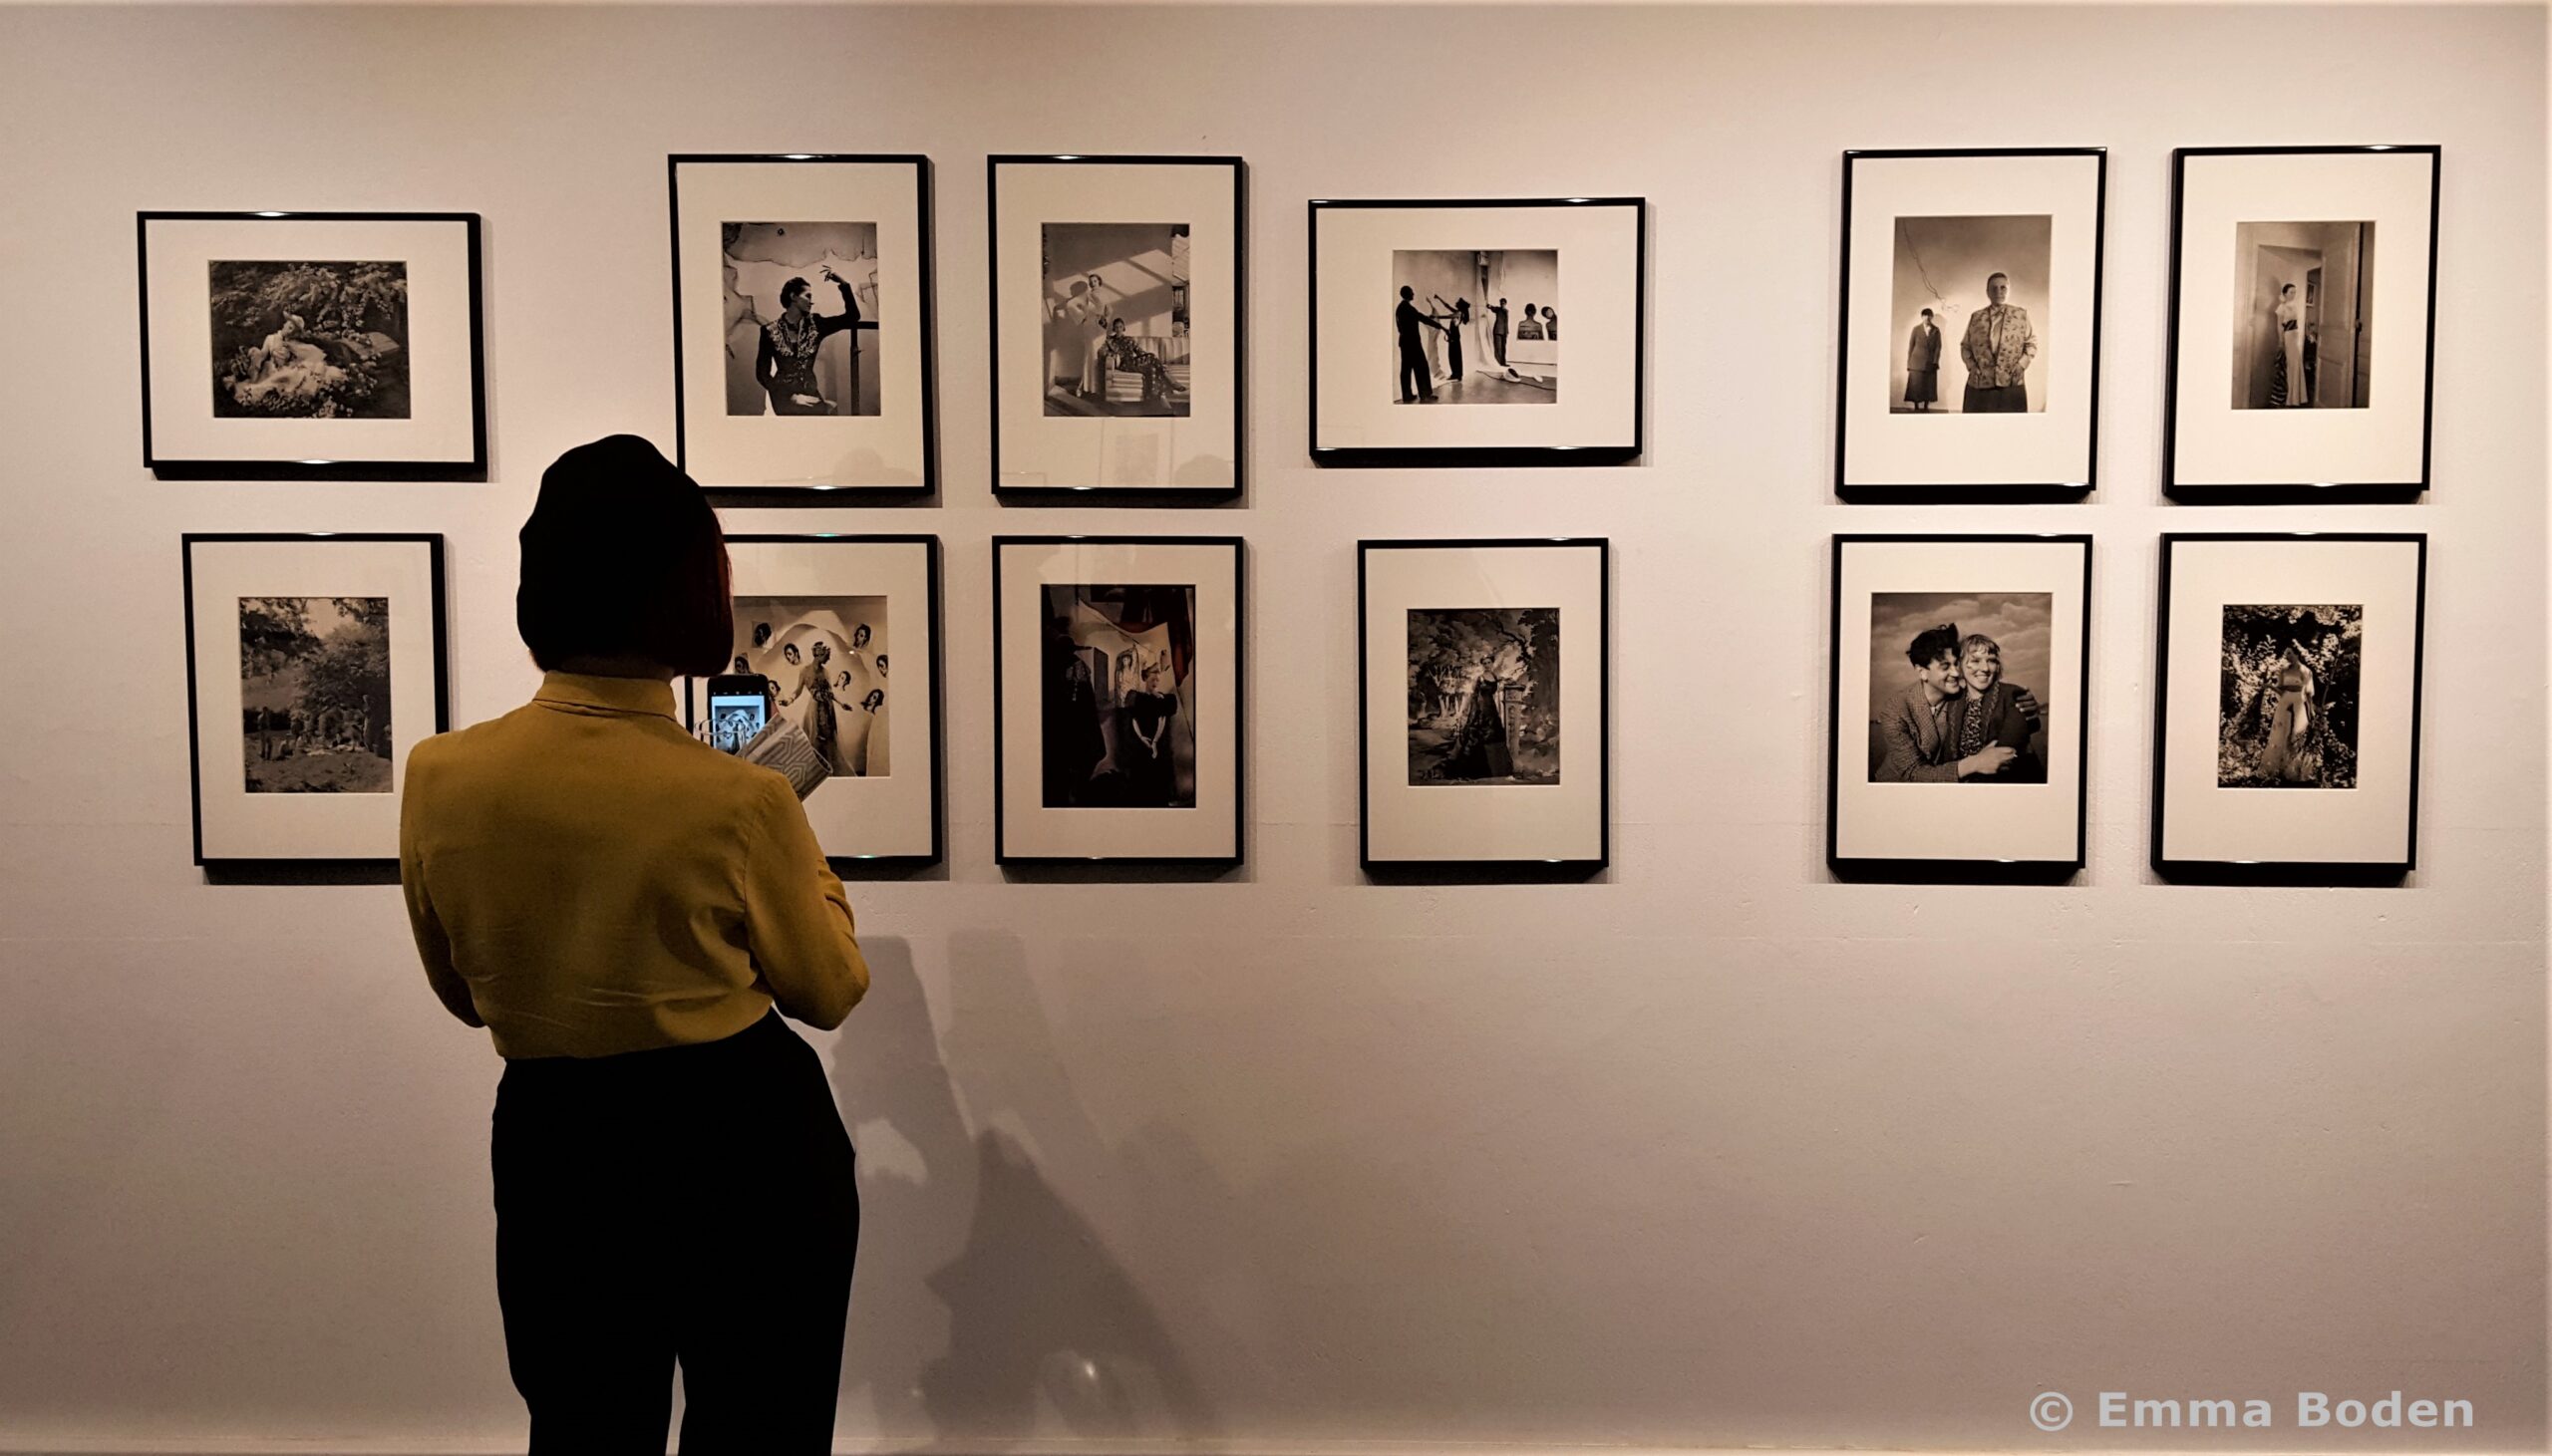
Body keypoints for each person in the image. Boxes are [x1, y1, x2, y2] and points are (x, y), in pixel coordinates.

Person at [398, 435, 867, 1453]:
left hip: (554, 1140)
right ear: (686, 590)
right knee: (761, 1430)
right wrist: (797, 834)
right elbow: (827, 989)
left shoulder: (441, 773)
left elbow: (464, 993)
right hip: (745, 1143)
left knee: (582, 1427)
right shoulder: (742, 799)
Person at [1872, 623, 2018, 782]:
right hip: (1897, 788)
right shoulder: (1896, 710)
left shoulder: (1962, 696)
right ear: (1922, 672)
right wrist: (1974, 764)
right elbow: (1912, 773)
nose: (1956, 672)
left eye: (1956, 663)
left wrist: (2027, 711)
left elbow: (2000, 707)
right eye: (1945, 666)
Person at [754, 266, 861, 416]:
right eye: (808, 296)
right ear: (794, 297)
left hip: (810, 392)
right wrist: (789, 397)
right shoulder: (769, 330)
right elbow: (762, 373)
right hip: (783, 397)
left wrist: (843, 284)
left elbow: (852, 317)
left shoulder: (816, 324)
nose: (811, 302)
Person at [1947, 634, 2044, 783]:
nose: (1985, 668)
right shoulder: (1952, 702)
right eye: (1975, 661)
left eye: (1991, 661)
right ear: (1959, 666)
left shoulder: (2014, 695)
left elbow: (2004, 755)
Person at [1958, 271, 2037, 413]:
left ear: (2008, 290)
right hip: (1980, 385)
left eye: (2003, 287)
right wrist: (1972, 367)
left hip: (2011, 385)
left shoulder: (2021, 315)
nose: (1998, 292)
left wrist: (2021, 365)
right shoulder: (1976, 317)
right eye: (1993, 288)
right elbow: (1965, 346)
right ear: (1987, 292)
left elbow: (2031, 344)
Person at [1435, 666, 1515, 781]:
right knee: (1477, 733)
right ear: (1483, 664)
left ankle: (1499, 768)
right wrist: (1476, 711)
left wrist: (1509, 681)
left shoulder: (1494, 677)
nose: (1488, 664)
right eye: (1485, 662)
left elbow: (1501, 685)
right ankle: (1475, 770)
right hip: (1481, 705)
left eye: (1489, 662)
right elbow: (1475, 695)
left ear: (1491, 662)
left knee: (1494, 732)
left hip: (1491, 708)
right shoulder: (1480, 678)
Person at [1120, 665, 1181, 805]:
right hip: (1140, 745)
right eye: (1152, 679)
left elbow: (1162, 719)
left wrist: (1154, 743)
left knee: (1158, 777)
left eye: (1157, 680)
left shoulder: (1163, 699)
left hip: (1157, 745)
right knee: (1141, 779)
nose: (1155, 683)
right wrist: (1142, 738)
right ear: (1145, 679)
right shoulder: (1136, 697)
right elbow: (1134, 719)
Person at [779, 639, 841, 770]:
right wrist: (788, 701)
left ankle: (830, 771)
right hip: (814, 709)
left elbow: (830, 692)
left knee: (829, 741)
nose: (827, 659)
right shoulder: (805, 671)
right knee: (814, 739)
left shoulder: (826, 673)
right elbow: (798, 690)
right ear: (819, 655)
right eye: (826, 656)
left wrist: (841, 704)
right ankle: (814, 771)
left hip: (828, 708)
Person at [2257, 659, 2315, 781]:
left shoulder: (2305, 671)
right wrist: (2269, 686)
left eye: (2290, 653)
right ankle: (2277, 769)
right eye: (2286, 653)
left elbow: (2308, 694)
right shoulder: (2284, 671)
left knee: (2296, 734)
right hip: (2285, 704)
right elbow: (2281, 692)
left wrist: (2311, 711)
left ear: (2297, 654)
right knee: (2282, 734)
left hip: (2299, 704)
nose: (2287, 656)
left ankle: (2295, 771)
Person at [1394, 286, 1444, 404]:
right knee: (1422, 368)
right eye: (1412, 292)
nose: (1414, 294)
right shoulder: (1409, 309)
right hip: (1413, 344)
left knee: (1406, 370)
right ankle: (1425, 395)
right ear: (1407, 294)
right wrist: (1439, 325)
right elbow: (1422, 318)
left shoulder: (1399, 309)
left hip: (1404, 343)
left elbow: (1401, 327)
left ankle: (1407, 395)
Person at [2270, 282, 2309, 407]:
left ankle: (2295, 397)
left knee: (2296, 364)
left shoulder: (2295, 306)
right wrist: (2281, 341)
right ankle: (2288, 398)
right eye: (2291, 292)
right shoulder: (2281, 307)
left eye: (2295, 292)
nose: (2293, 295)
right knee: (2290, 365)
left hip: (2295, 337)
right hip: (2287, 337)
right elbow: (2279, 326)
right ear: (2285, 293)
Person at [1905, 308, 1942, 411]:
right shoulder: (1916, 329)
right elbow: (1911, 346)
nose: (1927, 318)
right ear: (1921, 317)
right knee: (1916, 385)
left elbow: (1938, 347)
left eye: (1929, 316)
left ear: (1932, 317)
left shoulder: (1936, 330)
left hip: (1930, 363)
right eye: (1925, 315)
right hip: (1916, 363)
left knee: (1928, 385)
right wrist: (1909, 363)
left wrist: (1935, 361)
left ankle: (1926, 406)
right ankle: (1916, 406)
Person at [1486, 297, 1510, 367]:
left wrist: (1507, 331)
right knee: (1498, 348)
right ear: (1500, 304)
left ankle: (1503, 363)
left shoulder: (1506, 311)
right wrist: (1489, 306)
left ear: (1505, 304)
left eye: (1503, 303)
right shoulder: (1498, 309)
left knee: (1503, 348)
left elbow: (1506, 323)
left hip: (1504, 332)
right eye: (1501, 303)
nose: (1502, 304)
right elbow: (1492, 307)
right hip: (1497, 331)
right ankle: (1497, 363)